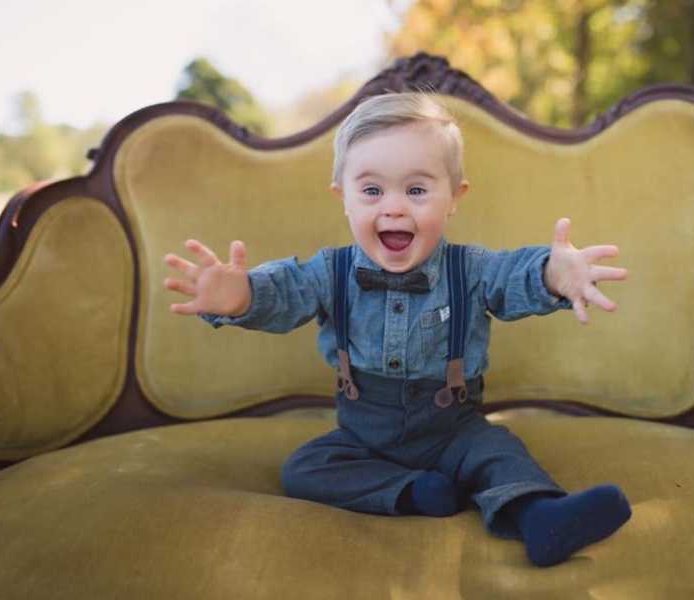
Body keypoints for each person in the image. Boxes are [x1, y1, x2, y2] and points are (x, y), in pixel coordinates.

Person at [163, 93, 631, 567]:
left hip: (454, 430)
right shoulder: (330, 272)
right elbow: (283, 293)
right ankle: (412, 493)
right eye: (371, 191)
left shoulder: (471, 270)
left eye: (416, 190)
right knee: (304, 469)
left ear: (454, 198)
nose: (393, 209)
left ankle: (541, 518)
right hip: (364, 437)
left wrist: (554, 273)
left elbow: (516, 276)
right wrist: (239, 296)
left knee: (499, 453)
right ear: (341, 197)